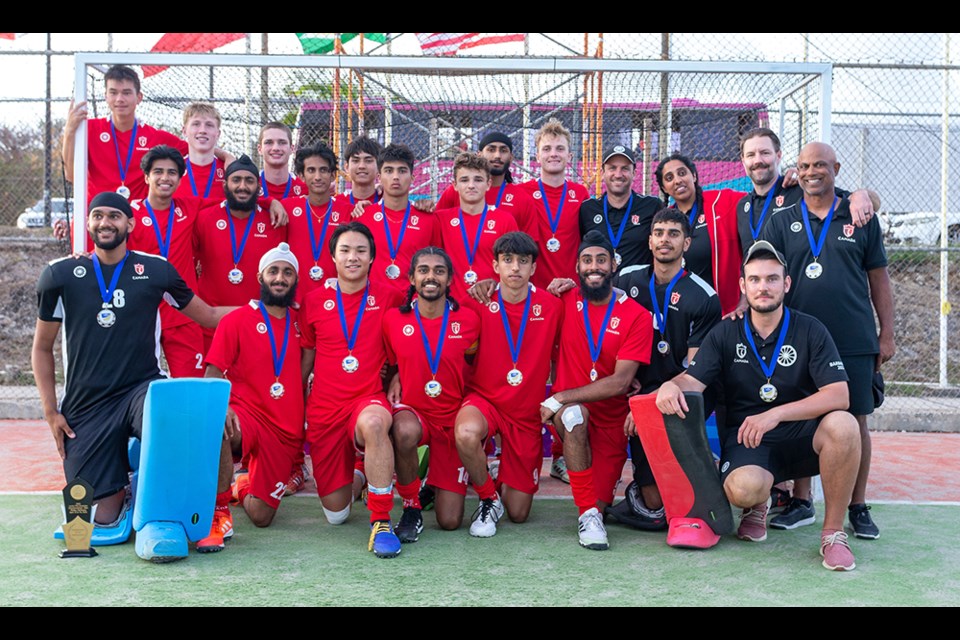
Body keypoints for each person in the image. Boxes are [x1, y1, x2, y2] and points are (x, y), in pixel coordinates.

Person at [656, 241, 862, 571]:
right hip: (748, 438)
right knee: (743, 490)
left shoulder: (811, 329)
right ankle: (758, 504)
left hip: (799, 434)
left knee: (845, 425)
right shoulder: (725, 333)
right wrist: (670, 385)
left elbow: (840, 396)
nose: (763, 287)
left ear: (787, 284)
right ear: (743, 285)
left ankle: (833, 533)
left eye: (771, 279)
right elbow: (691, 381)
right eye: (754, 279)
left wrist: (775, 414)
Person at [32, 192, 231, 531]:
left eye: (114, 216)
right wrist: (51, 412)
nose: (105, 222)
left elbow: (210, 315)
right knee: (97, 519)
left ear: (130, 223)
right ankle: (124, 483)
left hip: (142, 388)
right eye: (98, 216)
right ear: (88, 223)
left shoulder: (155, 270)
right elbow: (41, 348)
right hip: (86, 403)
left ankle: (195, 508)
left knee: (179, 422)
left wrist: (265, 310)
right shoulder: (60, 275)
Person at [759, 142, 895, 539]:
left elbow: (879, 279)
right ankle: (802, 501)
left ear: (836, 168)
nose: (812, 171)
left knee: (855, 420)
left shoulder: (860, 215)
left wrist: (886, 333)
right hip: (798, 339)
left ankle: (857, 505)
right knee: (802, 414)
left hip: (853, 337)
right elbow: (764, 276)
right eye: (804, 165)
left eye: (820, 164)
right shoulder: (782, 219)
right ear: (795, 171)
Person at [540, 230, 652, 550]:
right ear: (576, 267)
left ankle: (595, 506)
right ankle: (588, 516)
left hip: (611, 421)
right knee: (574, 416)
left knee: (602, 498)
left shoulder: (637, 315)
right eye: (587, 260)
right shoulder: (563, 299)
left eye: (601, 260)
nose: (594, 267)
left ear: (614, 265)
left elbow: (620, 382)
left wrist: (559, 396)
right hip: (573, 415)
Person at [300, 222, 405, 557]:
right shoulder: (313, 301)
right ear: (333, 256)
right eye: (345, 250)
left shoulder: (391, 297)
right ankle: (360, 474)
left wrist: (400, 374)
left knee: (375, 424)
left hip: (368, 398)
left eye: (361, 250)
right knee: (336, 514)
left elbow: (411, 340)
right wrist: (298, 400)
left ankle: (381, 519)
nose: (353, 257)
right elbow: (307, 357)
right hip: (325, 408)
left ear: (373, 257)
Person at [613, 208, 721, 529]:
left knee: (663, 505)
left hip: (683, 391)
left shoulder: (704, 296)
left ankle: (701, 476)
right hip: (637, 387)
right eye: (659, 233)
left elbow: (696, 370)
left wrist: (646, 406)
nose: (665, 240)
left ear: (686, 243)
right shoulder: (626, 279)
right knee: (655, 503)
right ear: (649, 240)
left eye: (673, 234)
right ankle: (626, 488)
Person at [199, 243, 305, 552]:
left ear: (295, 280)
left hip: (284, 429)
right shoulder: (235, 321)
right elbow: (213, 374)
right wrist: (223, 407)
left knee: (261, 516)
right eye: (273, 271)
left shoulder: (304, 323)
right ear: (260, 276)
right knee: (221, 426)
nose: (280, 278)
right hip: (247, 414)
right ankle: (218, 512)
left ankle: (241, 483)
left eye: (287, 272)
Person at [454, 231, 562, 536]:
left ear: (534, 268)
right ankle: (488, 498)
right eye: (508, 260)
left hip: (526, 412)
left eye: (523, 261)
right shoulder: (476, 301)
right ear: (495, 265)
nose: (515, 268)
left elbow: (565, 354)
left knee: (518, 513)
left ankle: (501, 474)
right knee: (465, 433)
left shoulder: (553, 306)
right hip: (484, 401)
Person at [383, 247, 481, 540]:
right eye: (423, 270)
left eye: (439, 271)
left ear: (450, 278)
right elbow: (388, 364)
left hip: (452, 420)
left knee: (450, 521)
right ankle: (411, 507)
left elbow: (475, 366)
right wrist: (397, 375)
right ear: (412, 278)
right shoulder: (393, 320)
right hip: (416, 412)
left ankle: (431, 482)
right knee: (403, 431)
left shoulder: (469, 320)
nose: (430, 277)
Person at [519, 118, 590, 482]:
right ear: (536, 155)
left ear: (569, 154)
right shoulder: (520, 194)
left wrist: (576, 281)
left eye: (559, 148)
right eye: (546, 148)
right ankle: (524, 450)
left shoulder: (581, 195)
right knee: (530, 373)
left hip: (572, 298)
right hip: (534, 299)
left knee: (567, 375)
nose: (553, 154)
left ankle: (562, 454)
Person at [193, 155, 288, 354]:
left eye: (249, 180)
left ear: (258, 186)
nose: (242, 186)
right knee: (212, 383)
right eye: (236, 180)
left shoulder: (275, 221)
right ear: (225, 184)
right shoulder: (204, 218)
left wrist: (270, 202)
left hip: (258, 322)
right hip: (211, 325)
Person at [62, 65, 189, 208]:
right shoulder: (88, 129)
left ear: (139, 97)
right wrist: (69, 131)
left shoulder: (156, 137)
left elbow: (198, 150)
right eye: (113, 92)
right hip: (97, 219)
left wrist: (220, 153)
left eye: (127, 93)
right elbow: (71, 175)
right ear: (106, 96)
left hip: (138, 220)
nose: (120, 99)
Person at [127, 145, 206, 378]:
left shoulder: (189, 208)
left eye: (172, 172)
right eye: (158, 171)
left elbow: (232, 203)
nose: (165, 178)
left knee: (190, 386)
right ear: (146, 176)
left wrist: (269, 203)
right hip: (141, 312)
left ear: (180, 179)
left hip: (183, 313)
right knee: (135, 385)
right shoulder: (129, 213)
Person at [736, 127, 879, 255]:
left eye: (765, 153)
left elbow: (874, 203)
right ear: (743, 161)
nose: (757, 160)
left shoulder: (801, 190)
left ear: (778, 156)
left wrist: (861, 194)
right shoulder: (742, 206)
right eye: (750, 155)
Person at [655, 153, 745, 317]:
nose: (677, 180)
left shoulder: (722, 201)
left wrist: (787, 182)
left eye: (682, 173)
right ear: (663, 187)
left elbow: (761, 198)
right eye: (669, 178)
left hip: (724, 312)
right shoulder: (664, 222)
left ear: (694, 175)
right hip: (683, 311)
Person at [356, 144, 441, 294]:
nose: (395, 177)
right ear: (379, 177)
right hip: (373, 302)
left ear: (413, 177)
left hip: (415, 302)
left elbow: (438, 262)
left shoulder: (428, 218)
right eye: (389, 171)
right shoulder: (363, 216)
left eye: (402, 171)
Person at [435, 153, 518, 300]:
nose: (471, 185)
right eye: (464, 180)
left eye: (478, 180)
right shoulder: (440, 219)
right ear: (454, 185)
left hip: (492, 304)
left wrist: (497, 284)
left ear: (488, 184)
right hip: (453, 308)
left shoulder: (505, 220)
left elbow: (514, 268)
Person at [435, 132, 537, 238]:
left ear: (511, 157)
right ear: (479, 154)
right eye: (491, 150)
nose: (497, 156)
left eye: (503, 150)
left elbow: (528, 246)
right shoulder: (457, 191)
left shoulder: (522, 199)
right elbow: (434, 225)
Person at [579, 145, 661, 272]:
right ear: (602, 173)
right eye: (612, 168)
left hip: (638, 289)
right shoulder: (587, 208)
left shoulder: (652, 206)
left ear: (634, 173)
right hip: (599, 288)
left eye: (625, 169)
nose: (618, 174)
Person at [283, 142, 342, 303]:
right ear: (301, 176)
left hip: (335, 300)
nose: (317, 177)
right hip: (295, 301)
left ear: (332, 175)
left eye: (323, 170)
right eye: (311, 170)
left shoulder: (347, 211)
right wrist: (270, 202)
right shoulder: (286, 208)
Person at [175, 102, 235, 200]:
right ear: (184, 131)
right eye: (196, 124)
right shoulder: (172, 170)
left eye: (209, 125)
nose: (202, 130)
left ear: (218, 133)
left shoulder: (228, 170)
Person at [257, 122, 307, 200]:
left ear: (292, 149)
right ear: (259, 149)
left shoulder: (305, 190)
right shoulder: (250, 187)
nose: (275, 148)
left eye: (282, 142)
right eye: (269, 142)